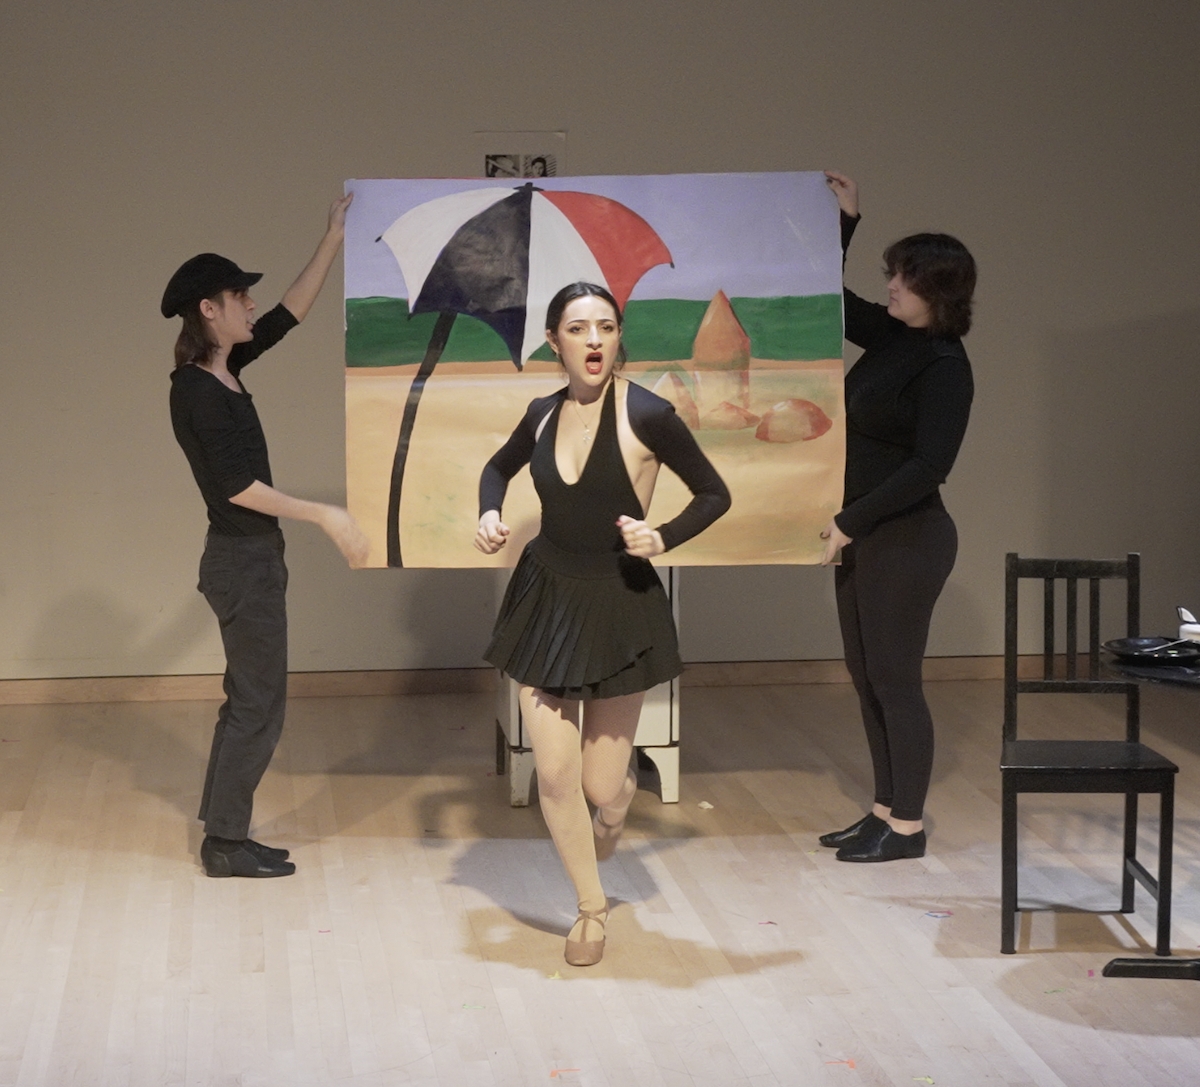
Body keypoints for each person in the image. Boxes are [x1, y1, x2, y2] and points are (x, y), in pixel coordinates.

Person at [475, 282, 730, 965]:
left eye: (606, 327)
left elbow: (714, 492)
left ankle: (617, 802)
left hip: (621, 601)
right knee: (554, 774)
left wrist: (664, 536)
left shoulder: (649, 413)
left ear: (619, 338)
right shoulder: (539, 413)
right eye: (579, 328)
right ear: (554, 341)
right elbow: (496, 470)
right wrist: (489, 513)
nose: (594, 339)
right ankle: (591, 908)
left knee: (596, 785)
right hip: (547, 596)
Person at [163, 195, 369, 879]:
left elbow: (291, 310)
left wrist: (333, 235)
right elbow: (237, 488)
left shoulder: (225, 371)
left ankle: (224, 830)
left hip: (248, 560)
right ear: (207, 311)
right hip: (241, 561)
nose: (250, 304)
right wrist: (327, 515)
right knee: (258, 706)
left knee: (250, 702)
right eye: (237, 295)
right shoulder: (196, 390)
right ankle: (224, 840)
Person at [818, 171, 976, 863]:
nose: (891, 288)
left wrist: (851, 521)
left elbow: (928, 467)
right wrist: (846, 221)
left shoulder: (944, 365)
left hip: (908, 536)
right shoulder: (894, 339)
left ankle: (907, 826)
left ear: (936, 291)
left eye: (904, 280)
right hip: (867, 532)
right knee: (865, 672)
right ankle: (883, 808)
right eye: (892, 276)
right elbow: (830, 298)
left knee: (896, 679)